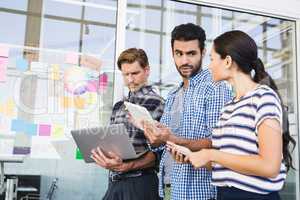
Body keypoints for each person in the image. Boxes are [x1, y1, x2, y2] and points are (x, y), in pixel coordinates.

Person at [176, 30, 296, 200]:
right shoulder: (228, 107)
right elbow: (227, 166)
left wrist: (211, 154)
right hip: (225, 194)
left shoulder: (263, 97)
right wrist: (194, 157)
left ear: (227, 61)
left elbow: (270, 166)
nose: (209, 66)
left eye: (212, 59)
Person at [142, 23, 232, 200]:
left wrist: (171, 139)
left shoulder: (215, 87)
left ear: (203, 52)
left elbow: (217, 143)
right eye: (179, 54)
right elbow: (163, 144)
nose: (184, 61)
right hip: (169, 188)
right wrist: (152, 135)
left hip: (199, 192)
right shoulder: (173, 94)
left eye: (191, 53)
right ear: (172, 53)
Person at [91, 48, 165, 200]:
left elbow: (160, 153)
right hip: (115, 182)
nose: (130, 79)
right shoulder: (119, 106)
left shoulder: (157, 103)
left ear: (147, 71)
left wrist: (127, 166)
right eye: (126, 74)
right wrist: (103, 155)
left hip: (140, 183)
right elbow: (111, 144)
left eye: (135, 73)